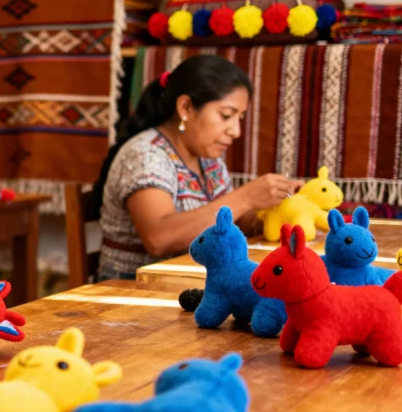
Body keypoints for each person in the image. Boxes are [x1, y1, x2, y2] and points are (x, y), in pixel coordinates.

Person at [93, 55, 302, 280]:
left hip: (184, 286)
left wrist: (279, 206)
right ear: (185, 108)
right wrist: (247, 197)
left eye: (240, 118)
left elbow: (232, 220)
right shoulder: (145, 155)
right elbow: (158, 239)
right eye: (226, 115)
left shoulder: (208, 160)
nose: (236, 131)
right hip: (130, 293)